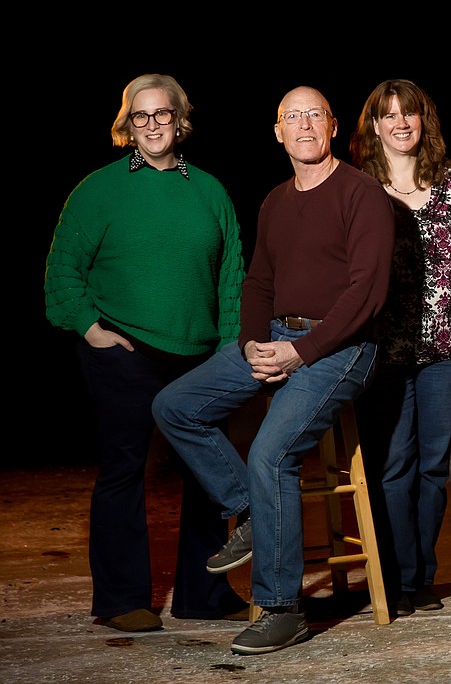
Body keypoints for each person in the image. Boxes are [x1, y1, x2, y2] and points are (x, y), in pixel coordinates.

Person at [151, 86, 395, 655]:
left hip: (341, 347)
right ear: (277, 131)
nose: (304, 125)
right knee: (175, 406)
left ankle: (284, 609)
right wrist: (254, 342)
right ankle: (255, 512)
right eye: (293, 117)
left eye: (315, 115)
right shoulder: (276, 201)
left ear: (333, 126)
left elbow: (368, 294)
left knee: (271, 453)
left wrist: (302, 351)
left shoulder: (361, 193)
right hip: (276, 337)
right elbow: (258, 281)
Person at [43, 73, 248, 633]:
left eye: (163, 114)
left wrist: (231, 346)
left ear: (180, 120)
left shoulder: (209, 190)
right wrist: (89, 328)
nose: (153, 125)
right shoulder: (99, 189)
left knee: (206, 473)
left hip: (201, 355)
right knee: (123, 471)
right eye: (142, 115)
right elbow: (63, 268)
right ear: (127, 124)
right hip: (124, 349)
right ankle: (121, 598)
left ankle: (204, 593)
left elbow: (232, 274)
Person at [349, 79, 451, 616]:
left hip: (449, 341)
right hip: (383, 345)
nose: (400, 123)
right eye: (388, 115)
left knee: (435, 463)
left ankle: (420, 576)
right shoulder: (359, 185)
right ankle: (394, 576)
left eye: (409, 114)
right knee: (393, 464)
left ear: (423, 120)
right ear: (375, 126)